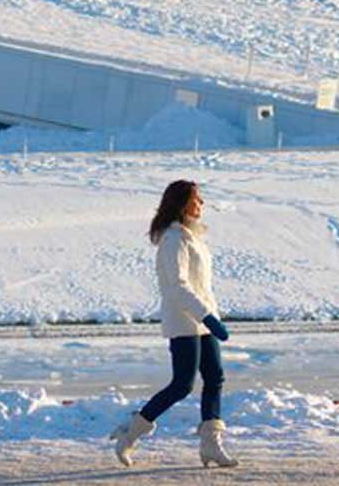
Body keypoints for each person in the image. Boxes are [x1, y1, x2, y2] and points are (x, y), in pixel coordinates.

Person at [110, 180, 239, 469]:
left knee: (215, 378)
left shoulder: (193, 237)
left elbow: (200, 284)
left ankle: (211, 444)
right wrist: (206, 315)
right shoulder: (173, 240)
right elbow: (177, 287)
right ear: (183, 204)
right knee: (182, 385)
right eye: (197, 199)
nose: (202, 204)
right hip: (184, 321)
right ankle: (130, 432)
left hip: (204, 319)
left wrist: (210, 316)